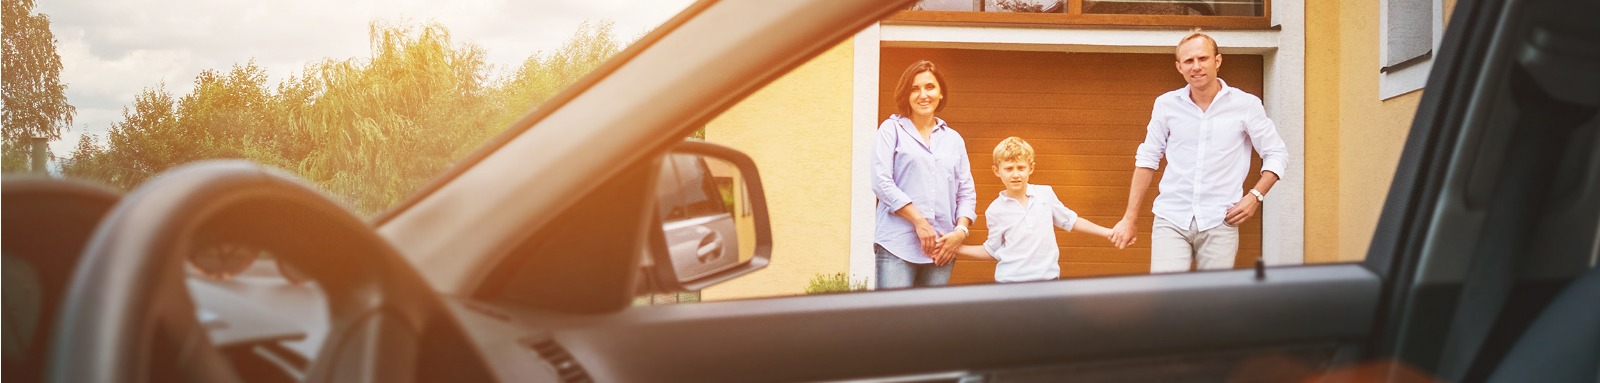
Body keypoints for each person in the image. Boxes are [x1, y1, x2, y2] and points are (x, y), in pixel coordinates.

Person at [1109, 30, 1289, 273]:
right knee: (1166, 298)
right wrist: (1129, 218)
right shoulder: (1166, 105)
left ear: (1217, 61)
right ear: (1179, 67)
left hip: (1220, 220)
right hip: (1171, 217)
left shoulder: (1246, 105)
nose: (1196, 66)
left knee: (1211, 303)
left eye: (1203, 59)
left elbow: (1276, 153)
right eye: (1188, 61)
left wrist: (1255, 196)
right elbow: (1148, 158)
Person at [871, 60, 977, 289]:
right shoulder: (892, 130)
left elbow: (966, 192)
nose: (923, 95)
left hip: (942, 249)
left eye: (930, 87)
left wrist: (960, 232)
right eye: (914, 88)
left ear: (940, 93)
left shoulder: (954, 139)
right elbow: (881, 181)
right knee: (895, 321)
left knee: (932, 323)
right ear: (906, 95)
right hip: (897, 245)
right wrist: (919, 221)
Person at [954, 137, 1115, 283]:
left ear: (1031, 168)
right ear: (997, 171)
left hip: (1048, 281)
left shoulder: (1045, 194)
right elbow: (992, 250)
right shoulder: (994, 210)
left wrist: (1108, 232)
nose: (1016, 174)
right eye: (1009, 169)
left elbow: (1071, 221)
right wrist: (958, 248)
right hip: (1009, 284)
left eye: (1021, 168)